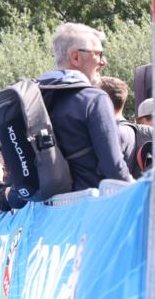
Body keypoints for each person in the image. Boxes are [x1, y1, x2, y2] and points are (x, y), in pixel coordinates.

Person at [35, 22, 131, 190]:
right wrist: (141, 192)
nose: (104, 62)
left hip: (47, 209)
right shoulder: (94, 99)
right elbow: (115, 170)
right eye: (98, 54)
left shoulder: (37, 99)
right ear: (76, 57)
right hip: (89, 208)